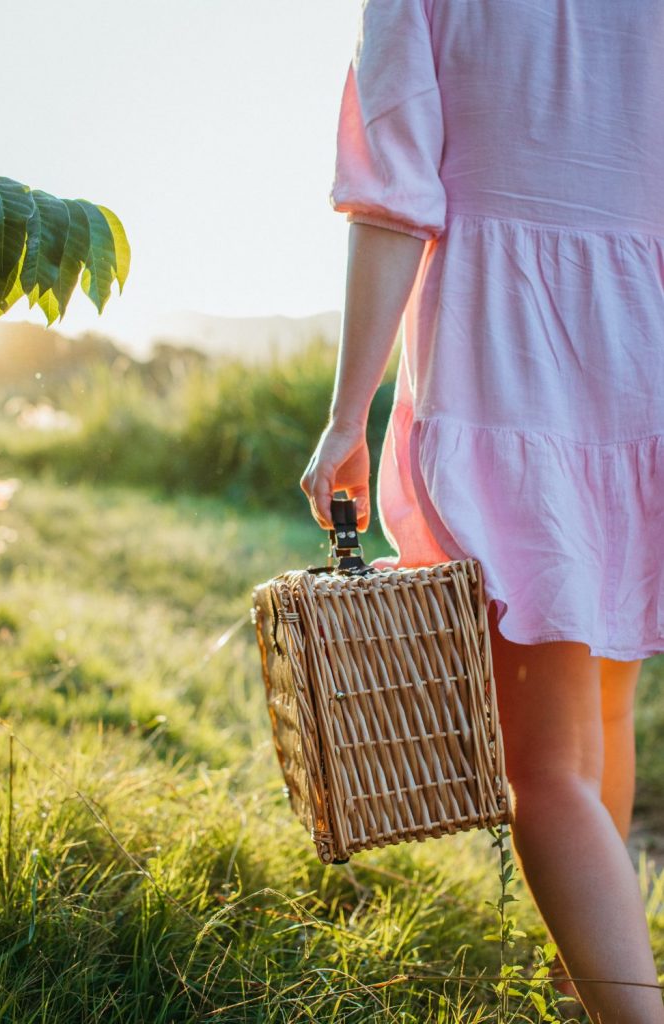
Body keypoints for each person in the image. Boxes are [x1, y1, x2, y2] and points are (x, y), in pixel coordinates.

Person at [299, 2, 664, 1021]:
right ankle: (587, 970)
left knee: (539, 767)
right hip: (642, 358)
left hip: (511, 364)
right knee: (596, 710)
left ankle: (624, 1005)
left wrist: (346, 419)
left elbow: (390, 203)